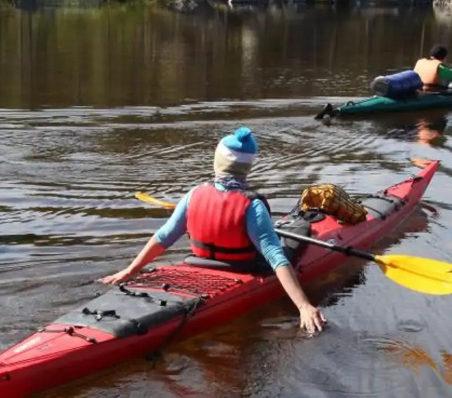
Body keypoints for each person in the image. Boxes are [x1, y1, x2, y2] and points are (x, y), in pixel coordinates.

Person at [99, 127, 328, 333]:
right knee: (297, 236)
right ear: (248, 166)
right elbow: (276, 258)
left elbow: (163, 238)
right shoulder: (252, 205)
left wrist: (129, 271)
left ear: (217, 162)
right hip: (242, 268)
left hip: (199, 262)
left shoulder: (194, 195)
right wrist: (304, 306)